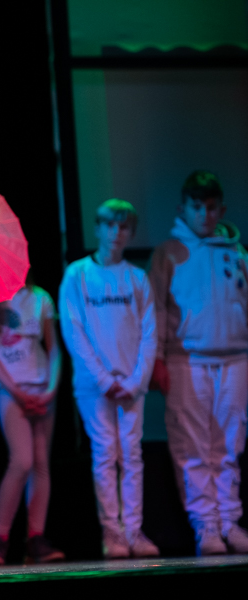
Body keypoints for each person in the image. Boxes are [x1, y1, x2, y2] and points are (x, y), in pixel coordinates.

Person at [150, 172, 248, 555]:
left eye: (210, 207)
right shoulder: (169, 253)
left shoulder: (237, 253)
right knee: (192, 445)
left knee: (229, 443)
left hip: (235, 358)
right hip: (186, 359)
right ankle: (205, 524)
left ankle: (230, 520)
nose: (204, 215)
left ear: (221, 209)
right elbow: (156, 310)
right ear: (183, 209)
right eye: (197, 207)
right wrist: (158, 358)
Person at [59, 199, 160, 559]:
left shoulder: (137, 278)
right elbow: (73, 331)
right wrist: (104, 379)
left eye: (124, 227)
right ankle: (112, 533)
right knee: (105, 454)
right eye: (110, 225)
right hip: (94, 385)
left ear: (131, 232)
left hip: (131, 384)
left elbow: (150, 334)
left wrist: (135, 380)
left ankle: (134, 531)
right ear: (98, 229)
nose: (117, 233)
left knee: (131, 455)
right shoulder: (78, 274)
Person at [0, 274, 64, 566]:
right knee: (22, 460)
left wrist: (50, 389)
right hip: (9, 389)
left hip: (40, 387)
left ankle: (36, 538)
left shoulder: (40, 297)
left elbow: (53, 349)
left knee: (40, 462)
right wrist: (15, 390)